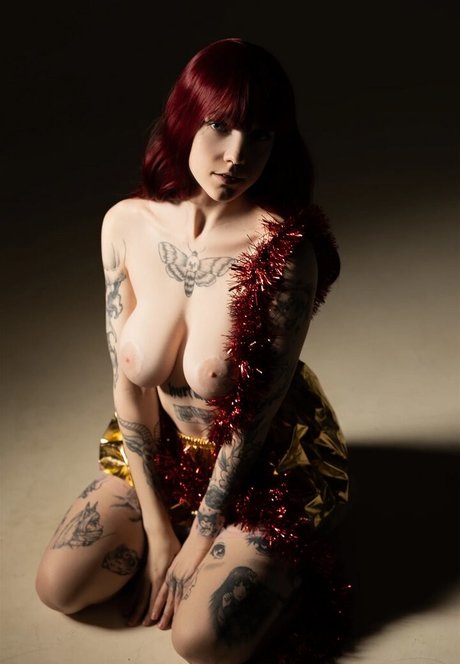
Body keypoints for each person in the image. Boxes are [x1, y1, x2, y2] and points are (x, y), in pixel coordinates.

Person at [36, 37, 349, 664]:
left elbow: (253, 422)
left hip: (259, 469)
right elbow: (129, 386)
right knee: (59, 587)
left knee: (200, 642)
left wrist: (199, 543)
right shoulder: (126, 224)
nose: (236, 156)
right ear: (185, 118)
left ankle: (284, 570)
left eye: (260, 136)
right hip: (166, 453)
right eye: (220, 126)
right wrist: (159, 534)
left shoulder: (284, 254)